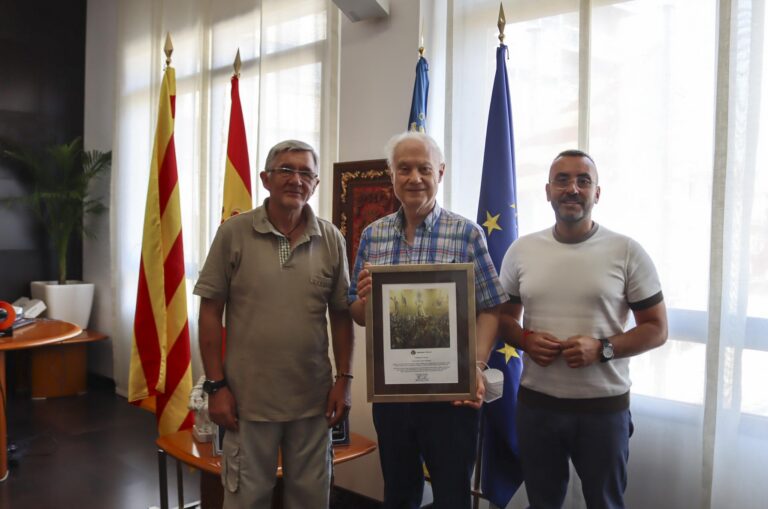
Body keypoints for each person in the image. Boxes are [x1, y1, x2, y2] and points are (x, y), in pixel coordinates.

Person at [498, 149, 668, 509]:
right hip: (537, 408)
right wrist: (526, 340)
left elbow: (656, 328)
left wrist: (602, 348)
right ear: (547, 191)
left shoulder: (627, 251)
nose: (572, 188)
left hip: (603, 412)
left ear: (597, 193)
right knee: (542, 503)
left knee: (605, 503)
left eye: (583, 180)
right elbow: (504, 320)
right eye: (562, 180)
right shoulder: (521, 250)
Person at [348, 132, 507, 509]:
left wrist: (476, 368)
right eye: (404, 169)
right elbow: (357, 312)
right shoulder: (373, 235)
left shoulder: (467, 233)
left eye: (423, 168)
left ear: (440, 172)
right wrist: (367, 298)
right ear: (392, 175)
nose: (414, 177)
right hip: (393, 397)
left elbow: (491, 307)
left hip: (451, 397)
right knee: (400, 493)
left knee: (452, 496)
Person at [194, 140, 354, 509]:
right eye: (286, 170)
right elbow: (209, 312)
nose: (296, 179)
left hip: (313, 403)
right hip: (247, 404)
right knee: (246, 500)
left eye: (305, 173)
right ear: (266, 178)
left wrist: (344, 381)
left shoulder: (331, 239)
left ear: (315, 184)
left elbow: (342, 315)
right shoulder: (234, 233)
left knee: (311, 501)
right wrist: (215, 386)